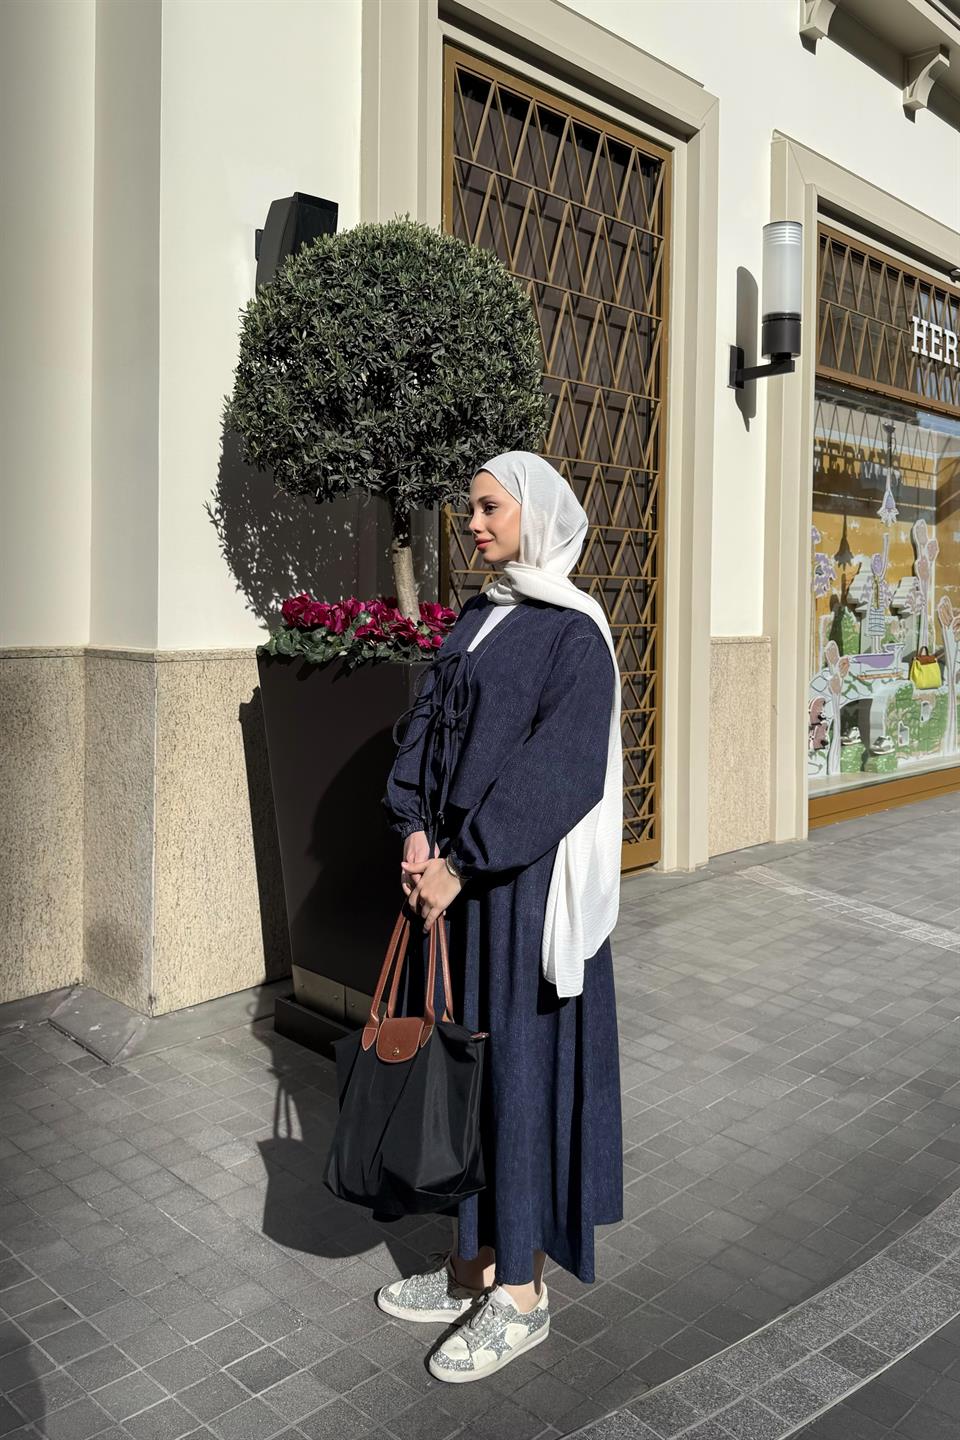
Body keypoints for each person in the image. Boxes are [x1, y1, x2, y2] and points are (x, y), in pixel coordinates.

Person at [376, 451, 624, 1383]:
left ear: (537, 513)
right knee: (468, 1077)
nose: (473, 523)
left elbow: (561, 772)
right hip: (455, 889)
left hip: (519, 899)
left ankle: (521, 1294)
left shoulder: (573, 633)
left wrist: (465, 861)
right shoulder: (479, 619)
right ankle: (472, 1261)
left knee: (517, 1078)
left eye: (489, 508)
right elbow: (427, 730)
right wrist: (412, 829)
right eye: (469, 509)